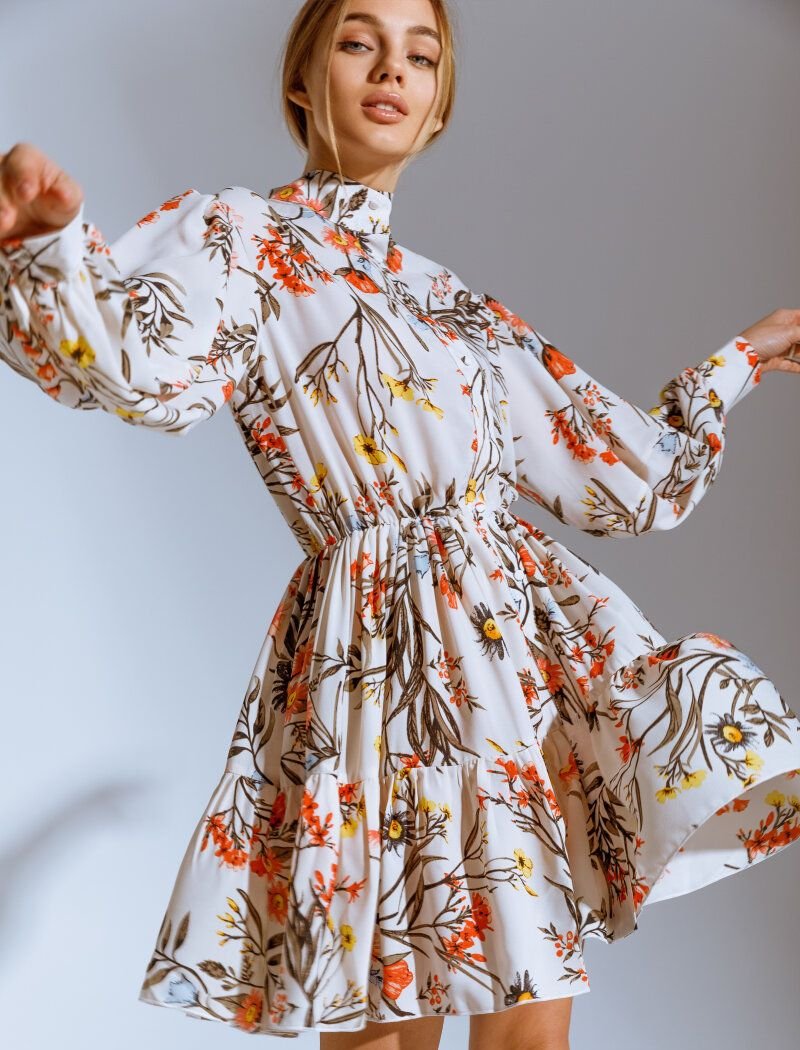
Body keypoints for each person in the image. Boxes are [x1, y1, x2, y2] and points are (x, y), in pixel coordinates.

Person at [2, 1, 800, 1047]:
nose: (391, 70)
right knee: (386, 1025)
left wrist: (736, 363)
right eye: (358, 42)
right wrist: (47, 252)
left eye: (419, 57)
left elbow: (620, 477)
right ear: (302, 81)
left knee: (529, 1026)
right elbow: (141, 363)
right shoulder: (242, 238)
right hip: (375, 666)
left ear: (436, 109)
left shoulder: (452, 304)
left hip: (508, 664)